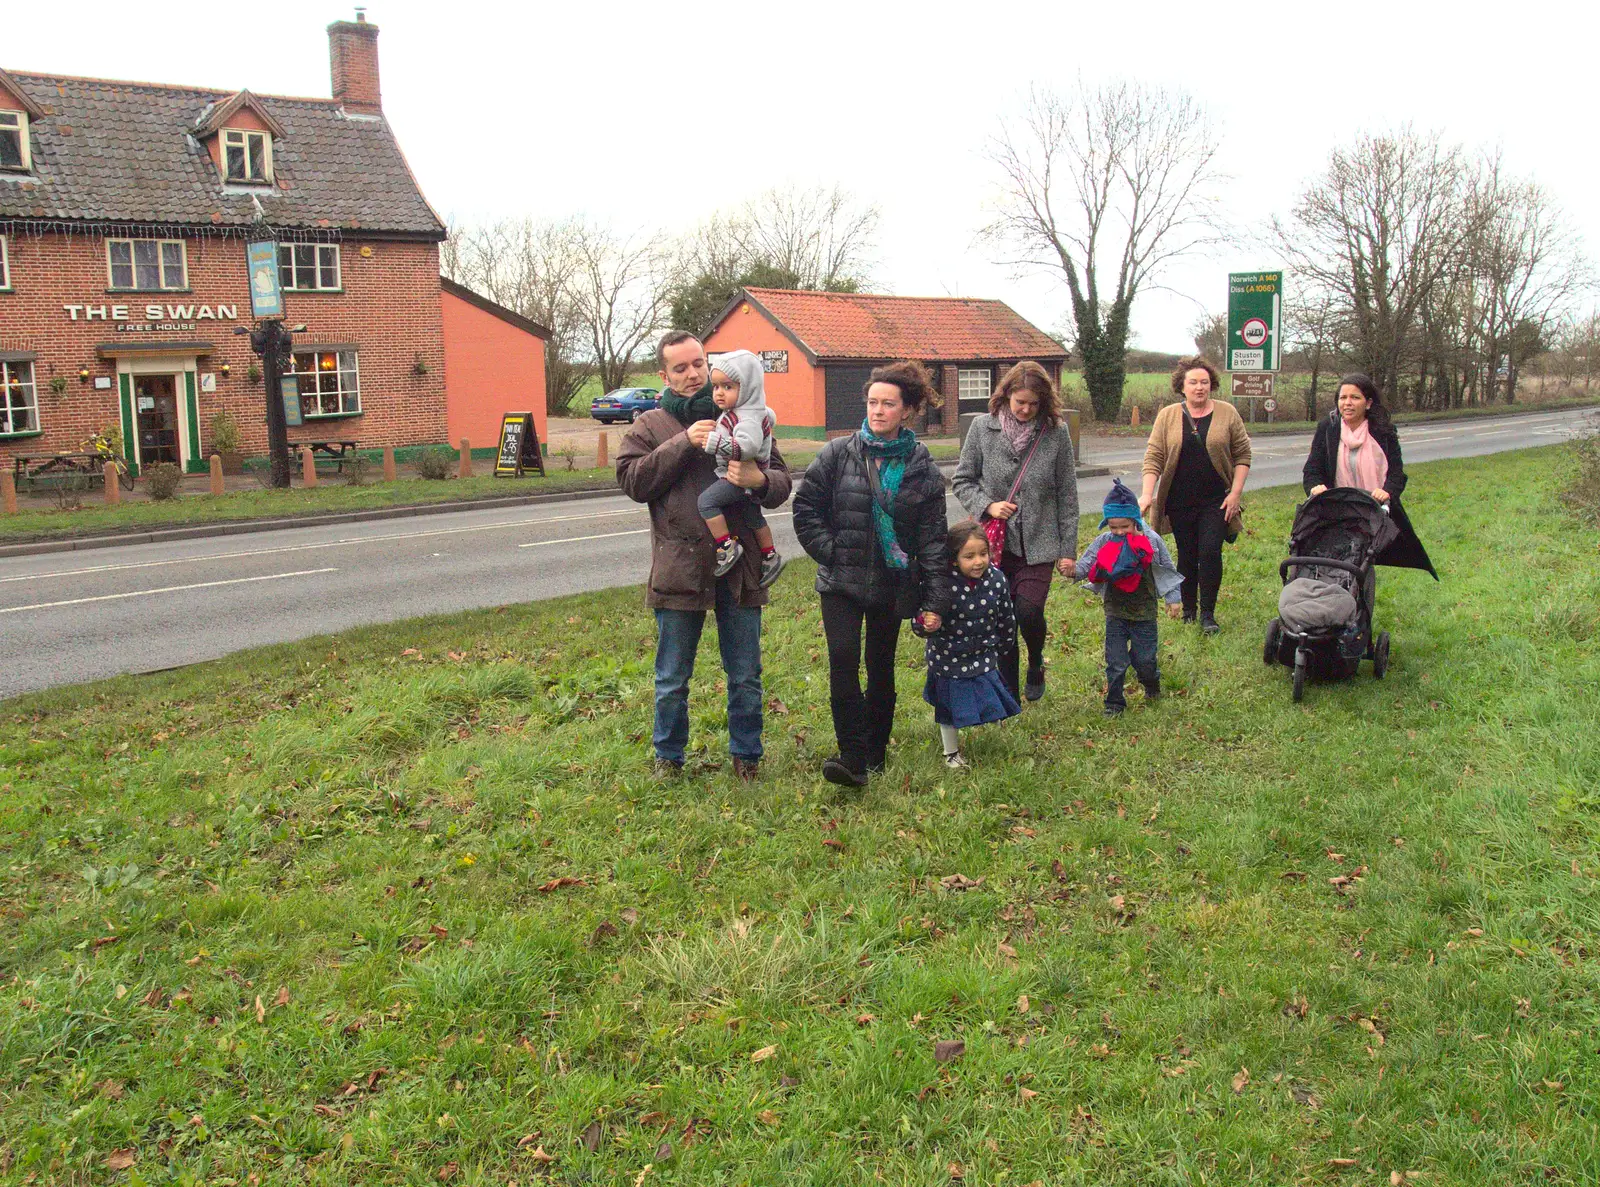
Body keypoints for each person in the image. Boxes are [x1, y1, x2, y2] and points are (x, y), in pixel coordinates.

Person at [616, 330, 794, 781]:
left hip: (740, 568)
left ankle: (747, 758)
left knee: (745, 674)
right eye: (681, 368)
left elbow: (781, 483)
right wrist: (683, 443)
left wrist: (758, 479)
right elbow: (634, 483)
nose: (693, 374)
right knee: (672, 678)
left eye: (698, 363)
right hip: (679, 568)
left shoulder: (741, 412)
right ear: (664, 375)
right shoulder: (649, 425)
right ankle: (668, 760)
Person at [793, 360, 951, 787]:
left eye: (888, 404)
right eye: (872, 402)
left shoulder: (921, 468)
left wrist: (936, 601)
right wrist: (832, 551)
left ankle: (876, 751)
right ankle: (853, 756)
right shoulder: (837, 453)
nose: (877, 410)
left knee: (880, 667)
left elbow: (934, 540)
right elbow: (805, 509)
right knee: (842, 660)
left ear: (908, 410)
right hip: (840, 582)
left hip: (891, 583)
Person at [951, 361, 1079, 702]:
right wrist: (988, 506)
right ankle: (1007, 691)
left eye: (1034, 404)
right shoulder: (982, 428)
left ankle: (1035, 660)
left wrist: (1068, 549)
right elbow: (962, 480)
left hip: (1040, 541)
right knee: (1001, 617)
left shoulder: (1055, 432)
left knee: (1027, 611)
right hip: (993, 546)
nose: (1026, 410)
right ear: (1006, 395)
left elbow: (1067, 492)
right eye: (1020, 401)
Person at [1138, 355, 1252, 634]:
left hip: (1216, 500)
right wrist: (1146, 494)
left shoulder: (1227, 413)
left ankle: (1208, 615)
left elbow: (1243, 455)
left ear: (1211, 384)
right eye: (1193, 382)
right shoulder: (1167, 415)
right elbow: (1154, 457)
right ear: (1182, 386)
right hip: (1179, 501)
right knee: (1187, 555)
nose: (1199, 387)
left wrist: (1235, 493)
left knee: (1210, 551)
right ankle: (1188, 609)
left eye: (1204, 382)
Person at [1302, 372, 1437, 577]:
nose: (1347, 403)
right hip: (1339, 507)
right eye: (1342, 397)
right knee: (1339, 559)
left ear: (1368, 403)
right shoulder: (1328, 428)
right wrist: (1315, 487)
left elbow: (1396, 473)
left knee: (1365, 560)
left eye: (1355, 398)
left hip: (1373, 508)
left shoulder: (1383, 431)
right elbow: (1312, 469)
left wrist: (1387, 492)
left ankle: (1362, 596)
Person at [915, 520, 1022, 769]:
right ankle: (950, 753)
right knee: (948, 710)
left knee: (988, 691)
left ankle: (991, 723)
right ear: (954, 559)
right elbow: (920, 617)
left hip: (982, 652)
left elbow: (1006, 615)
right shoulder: (941, 584)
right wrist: (925, 623)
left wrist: (1006, 642)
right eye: (969, 556)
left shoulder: (996, 580)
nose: (978, 561)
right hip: (948, 656)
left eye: (983, 554)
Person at [1073, 479, 1183, 716]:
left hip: (1144, 613)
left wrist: (1173, 598)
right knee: (1115, 662)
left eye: (1125, 526)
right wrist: (1072, 570)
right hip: (1115, 612)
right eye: (1114, 527)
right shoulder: (1104, 541)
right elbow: (1086, 563)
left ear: (1136, 520)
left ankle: (1151, 682)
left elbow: (1167, 566)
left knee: (1144, 660)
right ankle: (1114, 703)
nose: (1120, 532)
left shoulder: (1151, 541)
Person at [697, 350, 783, 586]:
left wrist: (716, 443)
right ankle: (770, 555)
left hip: (737, 476)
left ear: (748, 387)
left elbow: (747, 447)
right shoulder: (744, 410)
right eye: (715, 387)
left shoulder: (746, 418)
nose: (719, 393)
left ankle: (726, 546)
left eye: (727, 386)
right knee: (753, 516)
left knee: (706, 502)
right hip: (744, 478)